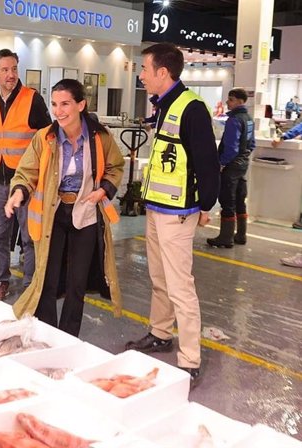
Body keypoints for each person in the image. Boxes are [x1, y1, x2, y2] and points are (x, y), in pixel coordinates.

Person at [124, 43, 220, 388]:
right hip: (157, 207)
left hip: (179, 213)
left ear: (163, 73)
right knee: (159, 278)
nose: (141, 75)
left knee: (181, 286)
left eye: (145, 69)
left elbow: (208, 162)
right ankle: (161, 333)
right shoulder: (163, 106)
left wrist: (206, 206)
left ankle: (190, 359)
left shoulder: (191, 109)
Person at [6, 79, 124, 336]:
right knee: (47, 280)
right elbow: (26, 172)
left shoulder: (100, 137)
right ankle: (48, 335)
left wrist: (103, 190)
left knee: (76, 285)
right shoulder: (45, 138)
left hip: (86, 216)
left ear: (81, 104)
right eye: (55, 104)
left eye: (66, 104)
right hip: (53, 215)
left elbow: (116, 167)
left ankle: (68, 337)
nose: (58, 111)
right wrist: (18, 192)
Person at [0, 48, 52, 300]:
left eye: (14, 69)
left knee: (29, 236)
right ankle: (2, 279)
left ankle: (30, 286)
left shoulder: (32, 98)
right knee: (0, 235)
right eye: (5, 70)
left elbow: (48, 138)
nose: (11, 74)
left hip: (26, 182)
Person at [207, 88, 255, 248]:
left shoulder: (234, 120)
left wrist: (222, 163)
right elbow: (251, 144)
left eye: (231, 99)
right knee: (240, 199)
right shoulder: (248, 119)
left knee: (228, 200)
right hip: (243, 164)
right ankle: (241, 235)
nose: (228, 102)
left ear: (240, 101)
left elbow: (231, 147)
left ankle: (226, 238)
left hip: (231, 166)